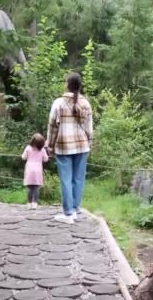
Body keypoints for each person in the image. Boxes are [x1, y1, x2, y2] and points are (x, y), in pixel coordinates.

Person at [46, 72, 93, 224]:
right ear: (79, 85)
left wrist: (50, 146)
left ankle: (68, 214)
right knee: (78, 179)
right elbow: (89, 129)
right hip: (82, 146)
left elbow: (52, 127)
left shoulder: (58, 103)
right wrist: (89, 143)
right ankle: (75, 209)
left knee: (66, 179)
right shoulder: (86, 103)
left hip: (64, 145)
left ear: (66, 84)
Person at [21, 133, 49, 209]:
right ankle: (35, 203)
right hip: (38, 170)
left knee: (29, 188)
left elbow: (23, 157)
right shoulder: (42, 150)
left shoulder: (28, 148)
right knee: (36, 188)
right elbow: (46, 159)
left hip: (29, 169)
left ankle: (29, 203)